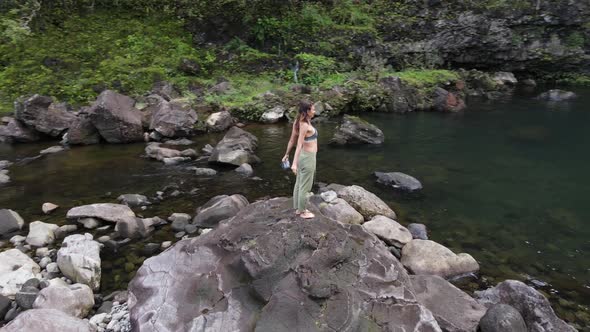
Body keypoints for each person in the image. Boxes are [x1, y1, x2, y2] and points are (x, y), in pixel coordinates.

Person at [282, 100, 318, 219]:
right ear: (307, 111)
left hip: (304, 156)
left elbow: (291, 140)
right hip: (308, 158)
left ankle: (298, 209)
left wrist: (286, 154)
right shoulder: (304, 125)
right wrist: (294, 164)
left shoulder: (297, 122)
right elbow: (298, 144)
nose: (315, 111)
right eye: (313, 109)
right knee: (305, 186)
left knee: (299, 184)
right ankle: (303, 211)